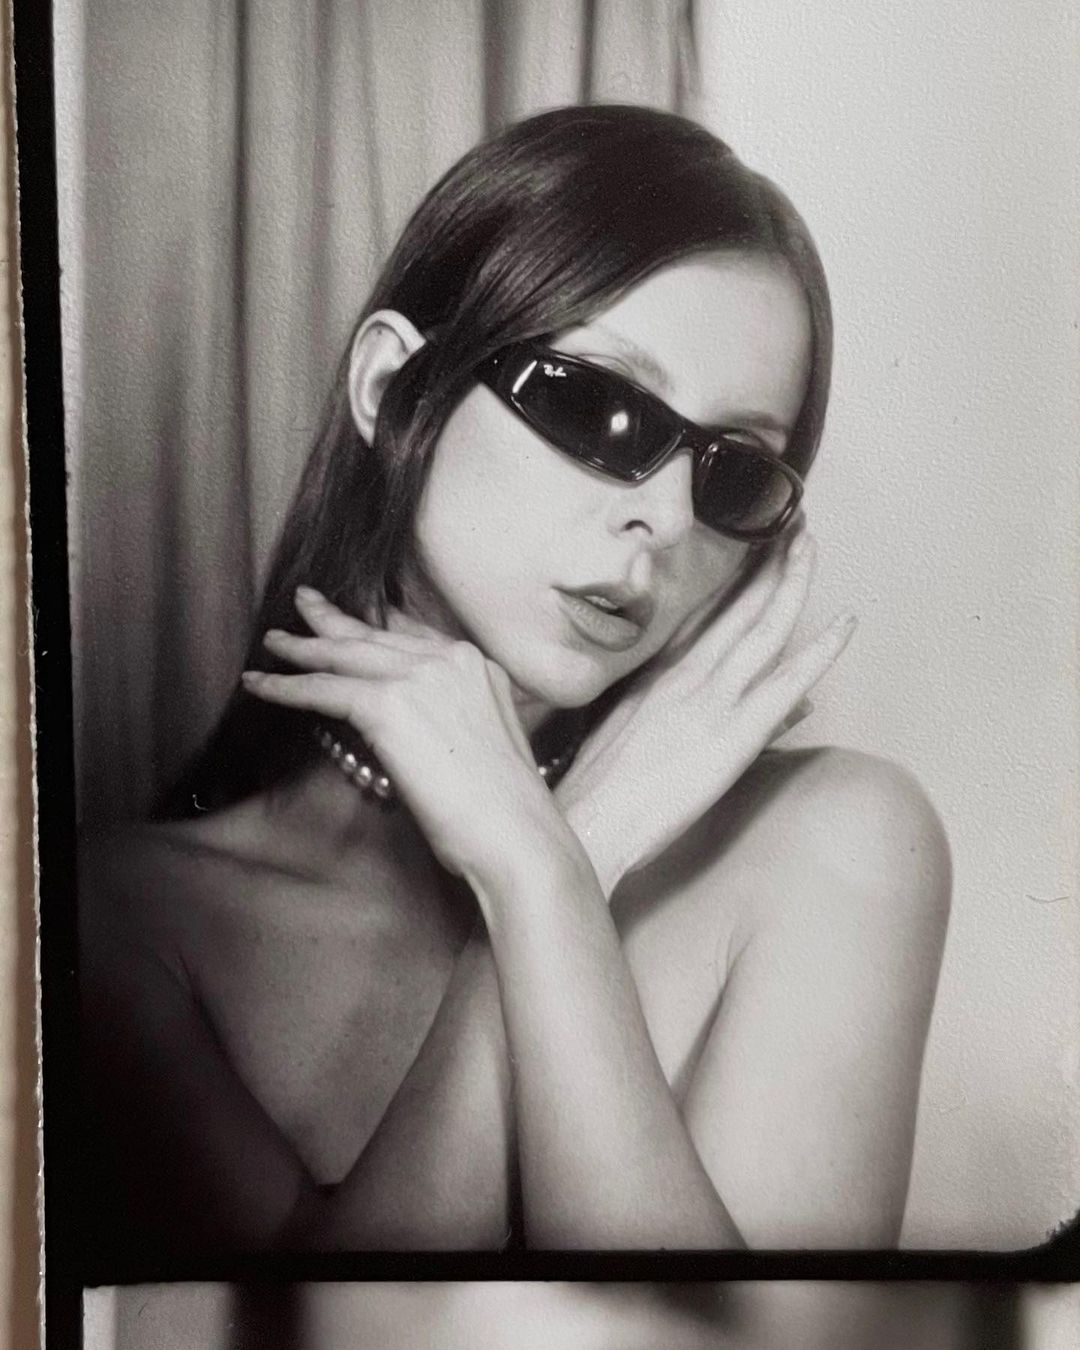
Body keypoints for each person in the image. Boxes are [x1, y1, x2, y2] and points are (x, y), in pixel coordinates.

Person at [80, 104, 951, 1258]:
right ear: (392, 385)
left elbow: (745, 1344)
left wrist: (544, 865)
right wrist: (561, 855)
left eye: (733, 469)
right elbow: (337, 1339)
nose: (666, 516)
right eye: (599, 406)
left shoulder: (836, 842)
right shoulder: (116, 918)